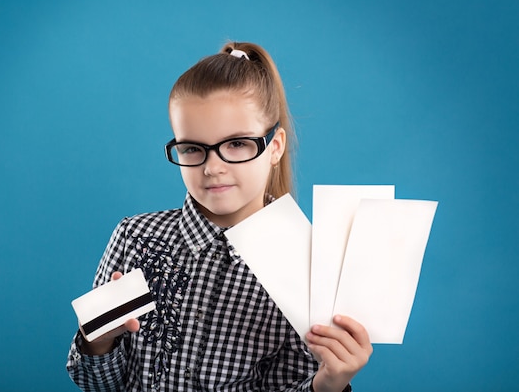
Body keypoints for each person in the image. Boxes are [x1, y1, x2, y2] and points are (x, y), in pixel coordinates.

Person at [66, 42, 373, 392]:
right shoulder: (134, 236)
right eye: (192, 148)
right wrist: (99, 342)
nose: (212, 168)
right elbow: (92, 382)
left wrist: (329, 383)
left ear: (274, 147)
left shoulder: (307, 267)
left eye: (237, 144)